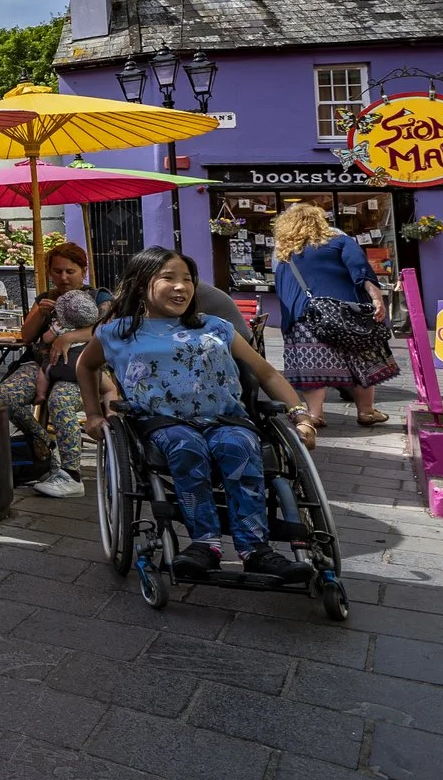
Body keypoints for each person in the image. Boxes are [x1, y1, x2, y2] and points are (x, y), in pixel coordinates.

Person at [78, 248, 311, 581]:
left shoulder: (215, 327)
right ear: (142, 283)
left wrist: (300, 415)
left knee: (240, 448)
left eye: (187, 279)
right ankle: (205, 544)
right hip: (164, 423)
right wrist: (93, 414)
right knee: (187, 448)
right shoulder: (119, 332)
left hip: (225, 419)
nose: (181, 287)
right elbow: (85, 365)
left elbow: (266, 373)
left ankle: (257, 550)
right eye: (169, 278)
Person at [271, 201, 394, 427]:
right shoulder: (341, 241)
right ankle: (366, 411)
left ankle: (315, 414)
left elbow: (283, 289)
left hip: (305, 317)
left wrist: (289, 322)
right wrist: (377, 298)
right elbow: (361, 269)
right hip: (348, 311)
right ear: (320, 220)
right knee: (359, 360)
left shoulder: (284, 255)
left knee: (312, 366)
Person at [8, 242, 95, 496]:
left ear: (83, 270)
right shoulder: (46, 298)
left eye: (70, 271)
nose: (63, 278)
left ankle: (71, 475)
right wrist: (39, 312)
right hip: (41, 367)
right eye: (57, 272)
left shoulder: (98, 296)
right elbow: (26, 336)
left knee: (60, 400)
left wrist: (68, 337)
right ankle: (44, 442)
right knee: (4, 397)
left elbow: (108, 330)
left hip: (81, 370)